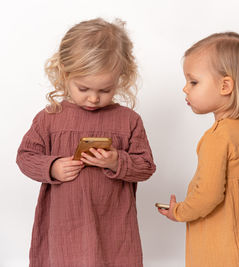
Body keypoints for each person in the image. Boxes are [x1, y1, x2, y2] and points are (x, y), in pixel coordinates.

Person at [16, 18, 156, 267]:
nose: (93, 98)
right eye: (83, 88)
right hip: (65, 225)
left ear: (120, 79)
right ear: (64, 73)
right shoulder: (49, 118)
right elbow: (25, 156)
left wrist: (117, 161)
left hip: (113, 225)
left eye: (105, 90)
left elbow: (145, 166)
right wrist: (53, 166)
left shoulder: (129, 120)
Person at [158, 32, 239, 266]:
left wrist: (179, 211)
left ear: (225, 85)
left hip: (226, 241)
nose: (185, 89)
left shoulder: (217, 139)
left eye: (194, 82)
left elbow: (208, 195)